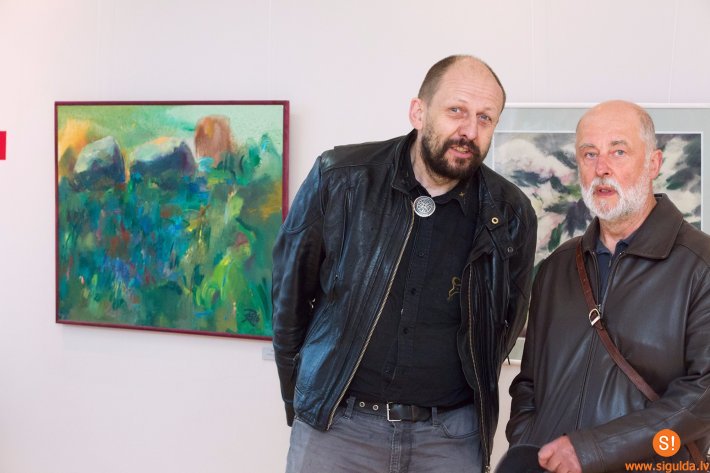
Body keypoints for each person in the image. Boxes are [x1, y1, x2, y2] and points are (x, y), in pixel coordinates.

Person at [271, 54, 537, 473]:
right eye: (456, 111)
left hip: (449, 439)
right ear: (418, 112)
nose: (469, 131)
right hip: (338, 430)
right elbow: (289, 299)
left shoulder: (511, 212)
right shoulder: (341, 178)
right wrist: (303, 401)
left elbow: (506, 322)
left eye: (485, 118)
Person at [507, 100, 710, 472]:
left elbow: (703, 395)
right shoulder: (556, 267)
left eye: (618, 152)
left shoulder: (701, 264)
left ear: (653, 164)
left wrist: (591, 450)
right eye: (589, 154)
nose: (601, 168)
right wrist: (528, 441)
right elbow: (529, 383)